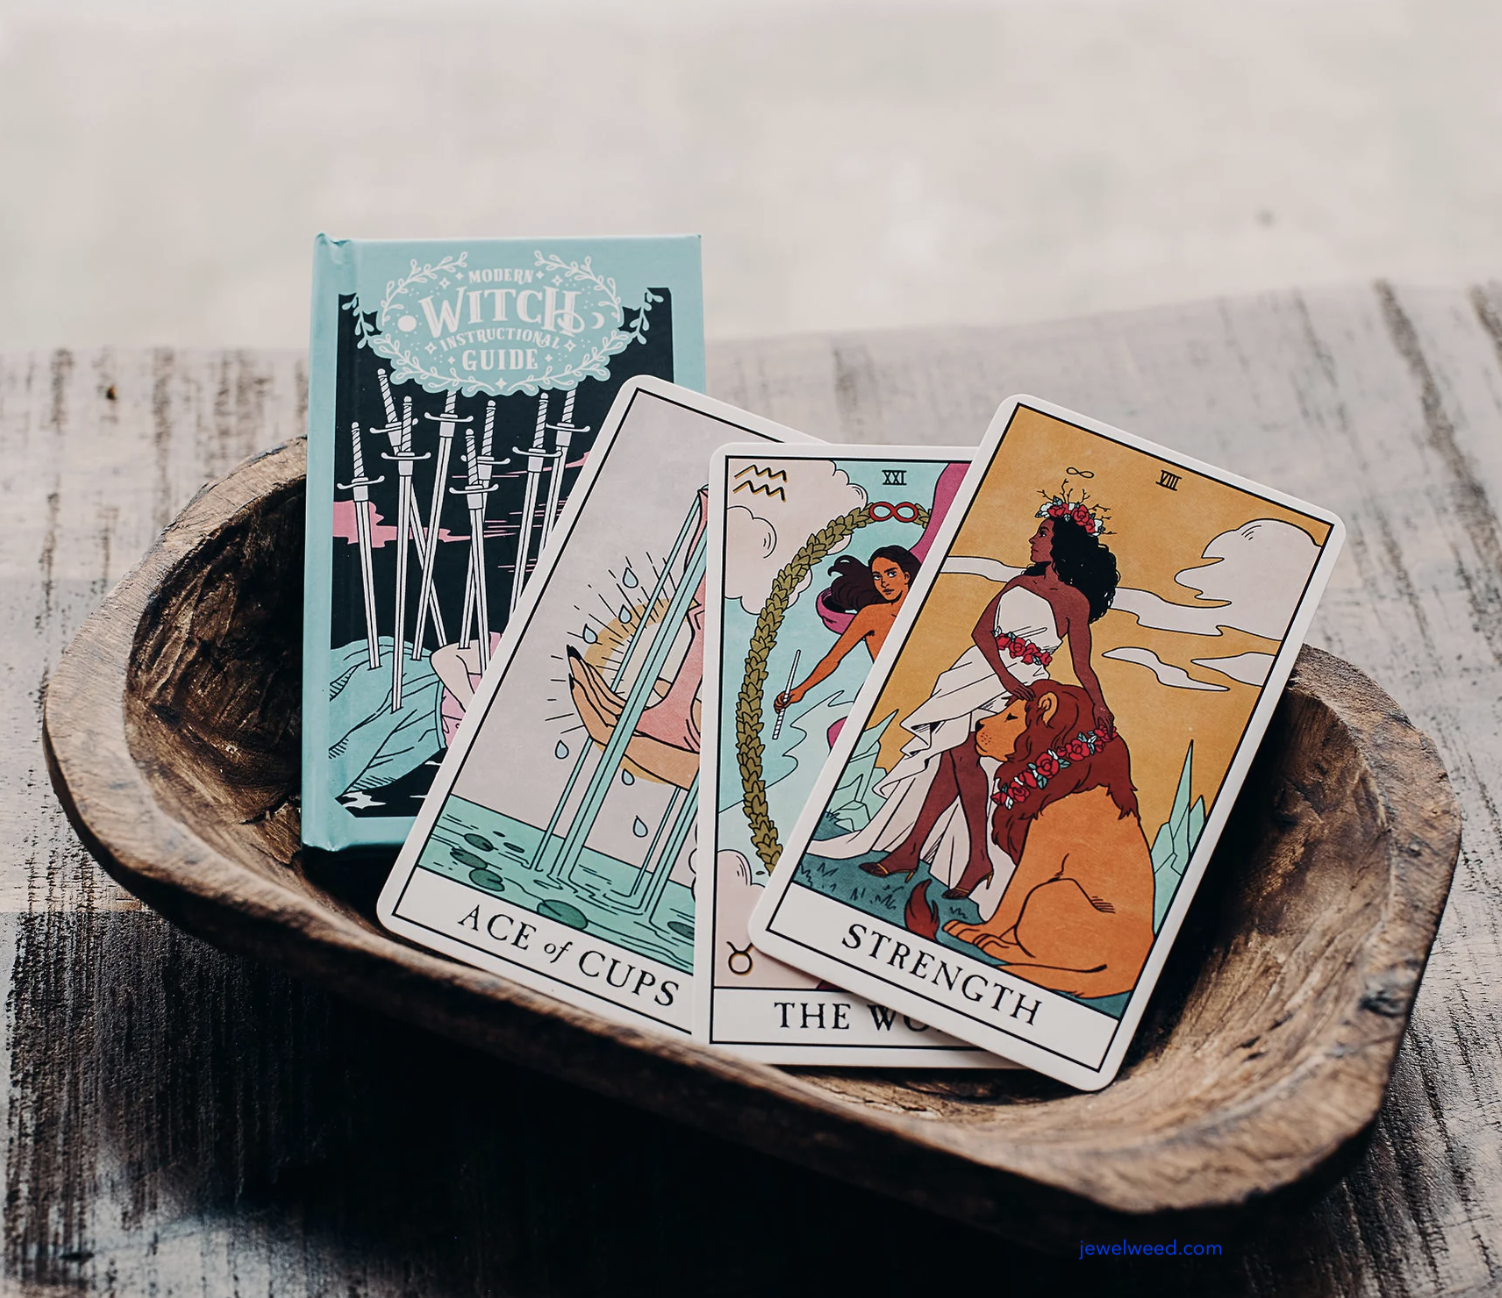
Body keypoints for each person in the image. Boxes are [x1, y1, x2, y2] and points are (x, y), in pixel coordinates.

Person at [812, 489, 1119, 915]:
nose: (1034, 538)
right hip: (980, 672)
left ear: (1061, 545)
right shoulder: (1018, 583)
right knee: (951, 758)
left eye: (1043, 533)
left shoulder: (1075, 602)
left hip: (1022, 688)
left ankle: (928, 853)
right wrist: (1004, 673)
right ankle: (957, 857)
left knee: (960, 756)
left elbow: (1082, 666)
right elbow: (981, 632)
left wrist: (1099, 706)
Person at [774, 546, 921, 713]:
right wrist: (801, 689)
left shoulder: (930, 608)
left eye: (891, 573)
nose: (884, 582)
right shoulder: (871, 615)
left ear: (906, 576)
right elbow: (833, 659)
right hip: (890, 695)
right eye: (877, 577)